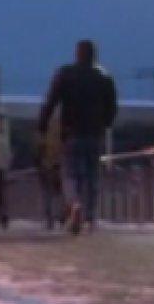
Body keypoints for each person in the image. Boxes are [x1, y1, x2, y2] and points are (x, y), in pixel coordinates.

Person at [38, 39, 118, 235]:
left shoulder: (65, 74)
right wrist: (105, 123)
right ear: (94, 55)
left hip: (71, 133)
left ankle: (74, 203)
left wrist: (42, 125)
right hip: (94, 133)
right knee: (92, 175)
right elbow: (112, 106)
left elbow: (51, 101)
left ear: (77, 54)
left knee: (70, 174)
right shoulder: (104, 77)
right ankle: (89, 215)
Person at [35, 110, 65, 230]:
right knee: (61, 192)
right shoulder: (63, 129)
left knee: (47, 192)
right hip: (61, 163)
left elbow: (39, 148)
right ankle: (62, 215)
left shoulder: (43, 130)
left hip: (47, 164)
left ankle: (49, 218)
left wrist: (39, 163)